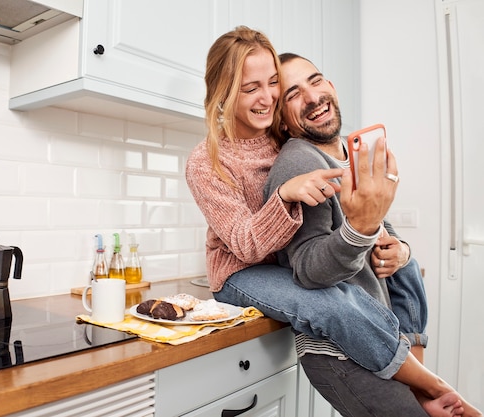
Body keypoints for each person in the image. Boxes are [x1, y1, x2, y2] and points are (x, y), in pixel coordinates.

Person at [185, 26, 467, 417]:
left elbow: (356, 216)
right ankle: (426, 382)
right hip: (240, 273)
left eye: (272, 85)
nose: (266, 98)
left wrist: (394, 245)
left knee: (379, 278)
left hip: (282, 268)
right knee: (328, 304)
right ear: (223, 92)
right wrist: (285, 195)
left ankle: (415, 370)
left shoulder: (281, 141)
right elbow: (244, 244)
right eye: (251, 88)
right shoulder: (206, 162)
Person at [264, 51, 481, 417]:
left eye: (315, 81)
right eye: (293, 94)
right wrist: (361, 229)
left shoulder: (346, 155)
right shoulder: (300, 161)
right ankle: (425, 382)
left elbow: (377, 225)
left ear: (330, 85)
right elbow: (308, 271)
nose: (313, 97)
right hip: (341, 350)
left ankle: (420, 380)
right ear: (283, 121)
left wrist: (401, 251)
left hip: (377, 340)